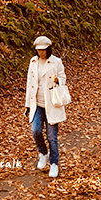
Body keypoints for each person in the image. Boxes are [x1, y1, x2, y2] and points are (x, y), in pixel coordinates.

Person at [24, 35, 67, 178]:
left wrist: (57, 80)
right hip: (36, 103)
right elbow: (29, 83)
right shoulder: (33, 61)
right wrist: (27, 105)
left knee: (52, 136)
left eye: (43, 50)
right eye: (38, 50)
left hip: (52, 103)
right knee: (35, 131)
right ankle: (43, 153)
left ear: (48, 49)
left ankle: (54, 163)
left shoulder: (56, 62)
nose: (40, 52)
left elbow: (63, 78)